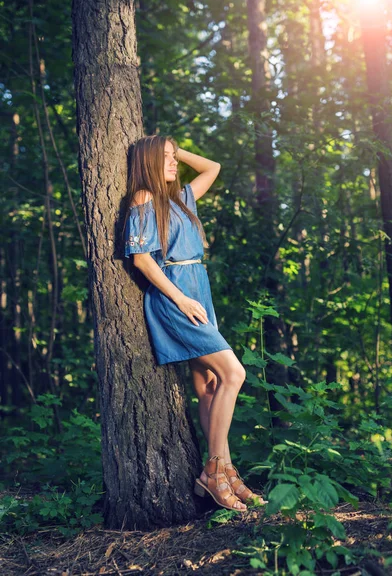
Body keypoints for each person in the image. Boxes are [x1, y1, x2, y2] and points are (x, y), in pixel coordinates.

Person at [123, 134, 267, 513]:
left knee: (211, 384)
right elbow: (141, 259)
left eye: (174, 157)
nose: (174, 163)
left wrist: (171, 147)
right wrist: (182, 299)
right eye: (166, 158)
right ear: (149, 162)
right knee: (234, 374)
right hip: (176, 297)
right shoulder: (143, 199)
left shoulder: (182, 199)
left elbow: (212, 168)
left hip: (198, 291)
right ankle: (216, 470)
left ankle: (226, 471)